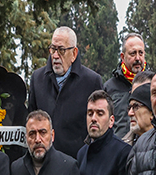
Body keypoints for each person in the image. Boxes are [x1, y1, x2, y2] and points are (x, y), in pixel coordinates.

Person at [27, 27, 104, 158]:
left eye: (61, 50)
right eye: (53, 49)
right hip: (44, 163)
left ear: (74, 53)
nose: (56, 55)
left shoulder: (92, 82)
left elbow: (100, 124)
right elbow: (30, 120)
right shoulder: (37, 79)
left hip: (78, 163)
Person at [103, 33, 146, 140]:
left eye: (141, 53)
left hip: (146, 149)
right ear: (123, 57)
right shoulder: (109, 88)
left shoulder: (152, 85)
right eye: (133, 53)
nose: (138, 58)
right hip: (118, 150)